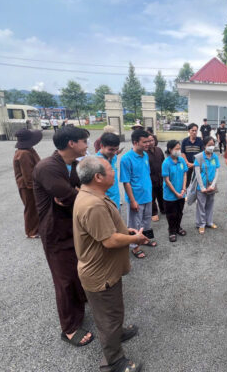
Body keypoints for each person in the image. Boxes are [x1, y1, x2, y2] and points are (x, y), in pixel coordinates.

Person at [74, 156, 148, 372]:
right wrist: (135, 239)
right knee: (108, 317)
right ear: (98, 177)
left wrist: (126, 231)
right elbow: (109, 240)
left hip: (106, 270)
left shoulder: (93, 195)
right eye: (110, 170)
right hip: (100, 274)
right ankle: (113, 362)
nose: (114, 173)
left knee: (113, 310)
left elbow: (108, 229)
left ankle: (118, 334)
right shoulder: (93, 204)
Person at [32, 125, 93, 347]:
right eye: (84, 141)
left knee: (78, 270)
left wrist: (75, 195)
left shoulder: (74, 166)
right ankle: (69, 328)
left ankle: (80, 306)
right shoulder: (47, 167)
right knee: (64, 280)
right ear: (71, 143)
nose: (87, 145)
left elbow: (87, 192)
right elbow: (70, 196)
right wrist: (74, 195)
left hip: (73, 228)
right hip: (55, 232)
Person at [120, 129, 157, 259]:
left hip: (147, 195)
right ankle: (134, 247)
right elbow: (126, 182)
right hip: (136, 198)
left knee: (146, 221)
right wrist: (132, 200)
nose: (148, 144)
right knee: (134, 224)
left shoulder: (145, 155)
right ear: (135, 142)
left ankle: (145, 239)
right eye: (145, 142)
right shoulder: (126, 159)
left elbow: (145, 174)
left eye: (148, 141)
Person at [13, 128, 42, 238]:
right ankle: (31, 231)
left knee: (35, 207)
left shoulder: (28, 150)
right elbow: (28, 174)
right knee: (31, 208)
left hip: (30, 185)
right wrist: (34, 188)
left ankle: (36, 228)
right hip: (27, 186)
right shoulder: (24, 153)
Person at [162, 140, 188, 242]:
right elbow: (167, 180)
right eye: (176, 149)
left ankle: (178, 227)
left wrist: (183, 188)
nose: (178, 151)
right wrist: (176, 193)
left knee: (179, 212)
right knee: (171, 214)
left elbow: (185, 174)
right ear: (170, 149)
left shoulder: (181, 160)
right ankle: (171, 230)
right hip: (170, 195)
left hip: (181, 193)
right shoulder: (166, 163)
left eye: (179, 148)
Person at [194, 136, 220, 234]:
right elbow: (197, 174)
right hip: (202, 187)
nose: (211, 147)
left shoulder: (215, 157)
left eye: (213, 145)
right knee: (201, 205)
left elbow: (217, 171)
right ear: (204, 146)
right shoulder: (199, 157)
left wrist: (213, 185)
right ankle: (201, 224)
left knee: (210, 204)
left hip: (211, 186)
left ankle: (209, 222)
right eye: (209, 145)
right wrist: (202, 187)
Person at [96, 132, 121, 210]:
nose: (114, 153)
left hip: (116, 201)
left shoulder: (113, 157)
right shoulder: (95, 162)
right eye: (111, 149)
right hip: (104, 204)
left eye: (116, 149)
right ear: (102, 146)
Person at [146, 134, 165, 221]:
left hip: (160, 177)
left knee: (161, 195)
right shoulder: (144, 153)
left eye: (152, 140)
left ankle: (163, 209)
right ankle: (154, 213)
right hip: (150, 179)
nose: (150, 142)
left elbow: (163, 162)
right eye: (148, 141)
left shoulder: (159, 150)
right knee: (152, 197)